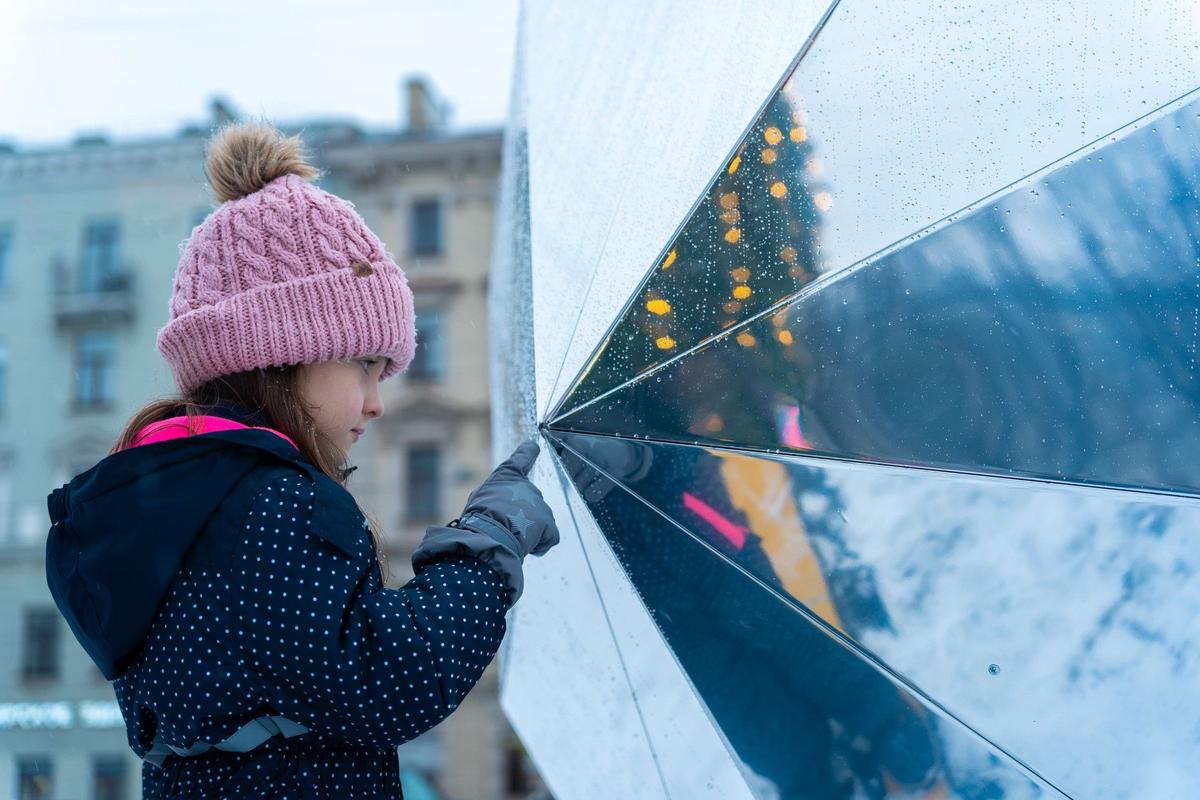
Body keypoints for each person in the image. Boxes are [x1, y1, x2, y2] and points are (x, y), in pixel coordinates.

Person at [43, 121, 559, 798]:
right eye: (365, 367)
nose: (377, 402)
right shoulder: (270, 501)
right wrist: (487, 544)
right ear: (285, 355)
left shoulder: (177, 501)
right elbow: (381, 680)